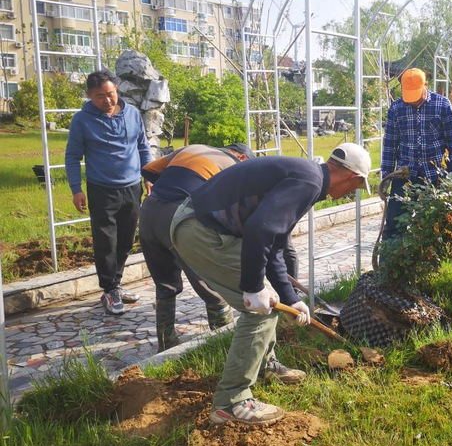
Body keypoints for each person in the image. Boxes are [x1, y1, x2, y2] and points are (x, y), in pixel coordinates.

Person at [171, 143, 372, 425]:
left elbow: (274, 245)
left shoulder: (308, 176)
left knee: (271, 301)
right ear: (353, 177)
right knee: (260, 311)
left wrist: (291, 298)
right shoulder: (309, 182)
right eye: (356, 187)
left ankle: (266, 365)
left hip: (197, 224)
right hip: (203, 231)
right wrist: (254, 288)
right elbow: (259, 230)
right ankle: (231, 401)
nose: (351, 193)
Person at [140, 143, 249, 352]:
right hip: (179, 217)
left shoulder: (192, 148)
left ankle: (166, 342)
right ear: (242, 157)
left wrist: (174, 185)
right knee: (211, 282)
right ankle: (225, 344)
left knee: (165, 284)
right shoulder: (235, 166)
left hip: (149, 211)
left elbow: (149, 170)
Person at [65, 70, 153, 315]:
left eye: (110, 93)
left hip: (132, 187)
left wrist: (149, 176)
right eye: (100, 96)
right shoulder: (82, 121)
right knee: (106, 242)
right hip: (102, 189)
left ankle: (116, 284)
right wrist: (76, 189)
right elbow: (72, 157)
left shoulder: (132, 114)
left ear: (117, 89)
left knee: (126, 240)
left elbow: (143, 147)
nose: (107, 100)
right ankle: (109, 289)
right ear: (89, 95)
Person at [380, 68, 452, 243]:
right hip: (404, 175)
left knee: (437, 224)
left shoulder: (442, 105)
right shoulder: (396, 108)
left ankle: (434, 258)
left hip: (435, 176)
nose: (413, 100)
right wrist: (386, 177)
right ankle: (390, 259)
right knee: (394, 223)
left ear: (426, 85)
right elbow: (389, 145)